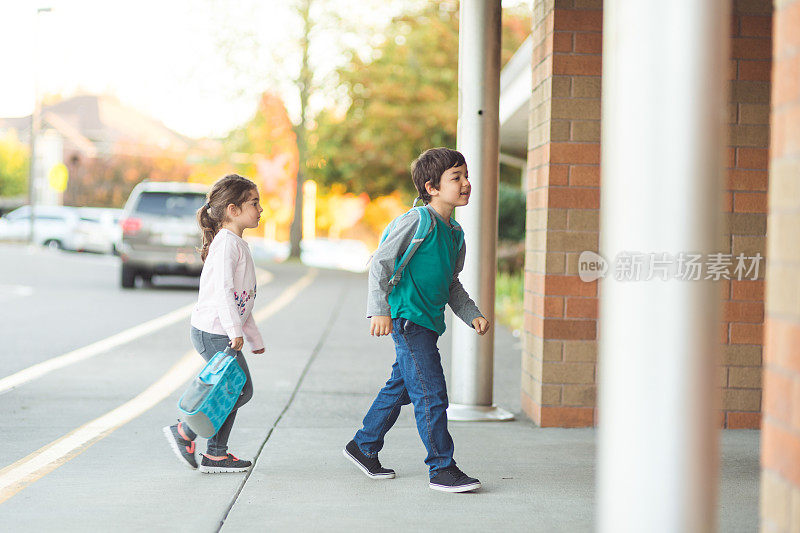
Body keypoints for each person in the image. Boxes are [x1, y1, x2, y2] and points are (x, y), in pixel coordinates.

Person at [343, 148, 490, 493]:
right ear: (432, 187)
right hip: (407, 320)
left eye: (466, 176)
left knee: (405, 388)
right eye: (457, 178)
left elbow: (451, 284)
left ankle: (363, 445)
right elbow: (380, 263)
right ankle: (441, 468)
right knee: (431, 395)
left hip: (427, 321)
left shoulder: (455, 234)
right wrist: (379, 309)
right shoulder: (416, 221)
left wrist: (473, 315)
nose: (467, 183)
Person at [163, 174, 265, 473]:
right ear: (233, 209)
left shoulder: (236, 244)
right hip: (214, 332)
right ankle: (188, 434)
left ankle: (214, 453)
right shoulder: (226, 245)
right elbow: (223, 293)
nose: (260, 210)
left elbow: (242, 300)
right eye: (254, 203)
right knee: (239, 389)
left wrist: (253, 337)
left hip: (221, 331)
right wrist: (235, 332)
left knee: (233, 389)